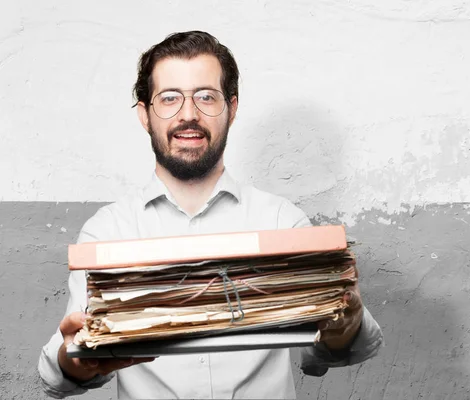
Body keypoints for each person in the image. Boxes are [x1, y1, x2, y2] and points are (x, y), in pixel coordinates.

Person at [38, 30, 383, 399]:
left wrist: (345, 321)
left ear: (232, 109)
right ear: (144, 115)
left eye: (206, 96)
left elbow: (339, 349)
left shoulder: (284, 223)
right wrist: (74, 359)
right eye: (169, 98)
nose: (189, 114)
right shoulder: (106, 233)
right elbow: (56, 376)